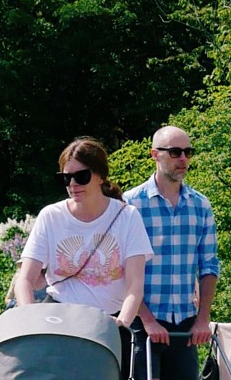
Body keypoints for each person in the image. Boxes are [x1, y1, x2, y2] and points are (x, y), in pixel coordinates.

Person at [127, 123, 220, 380]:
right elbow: (121, 271)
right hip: (143, 315)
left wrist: (203, 317)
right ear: (155, 155)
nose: (182, 158)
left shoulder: (200, 205)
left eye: (187, 151)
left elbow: (209, 266)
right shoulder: (131, 205)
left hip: (183, 316)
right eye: (174, 151)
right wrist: (145, 318)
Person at [14, 143, 152, 361]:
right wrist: (32, 318)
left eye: (82, 176)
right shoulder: (51, 216)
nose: (73, 184)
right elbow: (25, 280)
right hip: (59, 320)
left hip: (108, 323)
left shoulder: (127, 217)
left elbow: (135, 285)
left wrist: (122, 323)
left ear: (101, 176)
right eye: (66, 178)